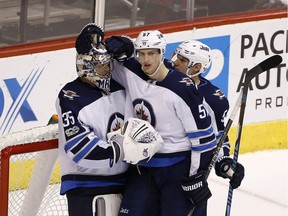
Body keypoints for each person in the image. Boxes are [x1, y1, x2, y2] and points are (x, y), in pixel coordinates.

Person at [105, 30, 218, 216]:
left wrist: (195, 177)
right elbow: (105, 61)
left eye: (151, 53)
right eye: (141, 53)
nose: (145, 59)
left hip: (176, 170)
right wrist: (120, 43)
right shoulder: (132, 71)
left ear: (161, 54)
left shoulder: (182, 87)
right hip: (142, 167)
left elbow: (204, 139)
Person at [55, 23, 129, 216]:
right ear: (86, 66)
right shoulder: (70, 96)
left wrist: (130, 49)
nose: (106, 69)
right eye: (101, 65)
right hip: (86, 188)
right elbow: (79, 148)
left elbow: (153, 81)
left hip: (126, 183)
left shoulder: (120, 86)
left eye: (107, 64)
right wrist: (124, 149)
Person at [169, 39, 245, 214]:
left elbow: (219, 137)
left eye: (182, 60)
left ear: (196, 68)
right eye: (176, 57)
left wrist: (223, 162)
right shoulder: (161, 79)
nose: (175, 62)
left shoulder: (212, 99)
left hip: (191, 174)